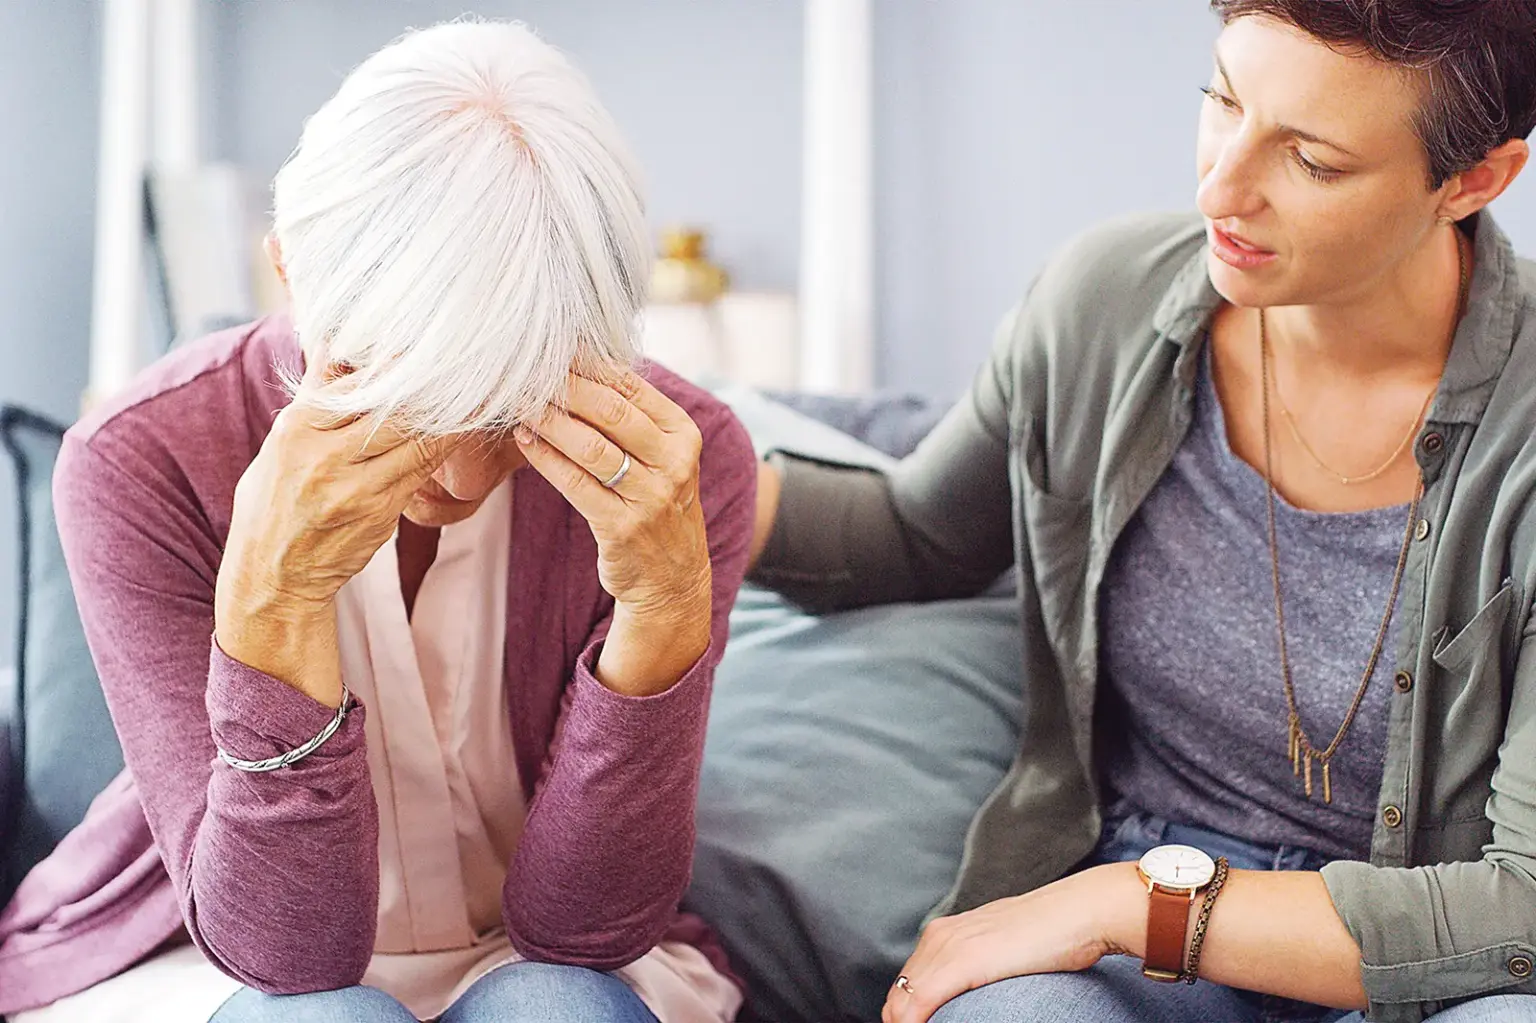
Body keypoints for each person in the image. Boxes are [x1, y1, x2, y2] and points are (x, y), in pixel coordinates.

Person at [749, 2, 1535, 1022]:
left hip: (1429, 964)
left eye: (1313, 161)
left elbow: (1521, 906)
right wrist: (680, 473)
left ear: (1474, 180)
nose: (1221, 185)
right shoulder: (1103, 302)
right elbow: (916, 538)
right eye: (1223, 99)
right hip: (1124, 937)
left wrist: (1137, 904)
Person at [0, 20, 756, 1023]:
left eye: (502, 401)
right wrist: (275, 602)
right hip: (206, 952)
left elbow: (583, 936)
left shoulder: (681, 466)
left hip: (545, 960)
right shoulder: (142, 458)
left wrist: (663, 615)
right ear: (290, 273)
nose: (450, 465)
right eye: (395, 383)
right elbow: (283, 953)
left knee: (561, 1009)